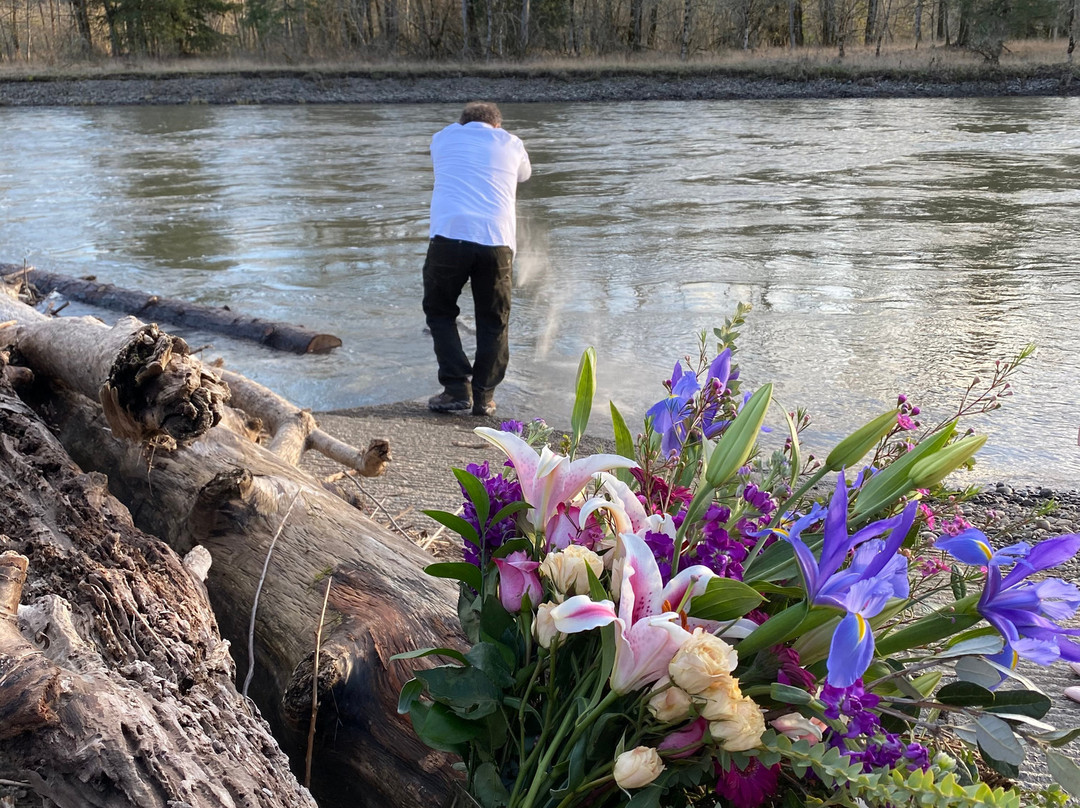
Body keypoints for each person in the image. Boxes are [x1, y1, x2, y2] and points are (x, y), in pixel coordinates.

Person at [422, 101, 532, 417]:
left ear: (462, 123)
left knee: (440, 310)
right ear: (496, 125)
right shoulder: (511, 143)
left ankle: (456, 387)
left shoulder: (443, 138)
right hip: (496, 243)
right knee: (494, 320)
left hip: (448, 238)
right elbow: (524, 175)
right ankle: (484, 398)